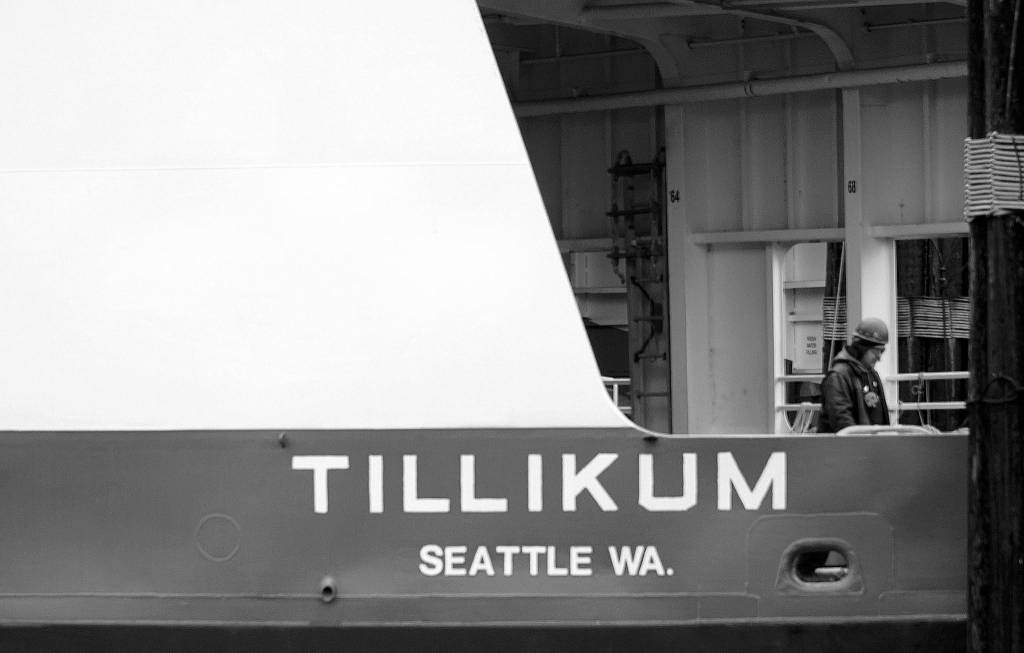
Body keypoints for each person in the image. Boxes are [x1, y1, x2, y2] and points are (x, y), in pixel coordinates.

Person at [817, 317, 891, 433]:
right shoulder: (838, 376)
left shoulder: (872, 375)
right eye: (876, 351)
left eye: (882, 351)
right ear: (861, 348)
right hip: (847, 448)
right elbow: (841, 420)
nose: (879, 357)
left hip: (867, 446)